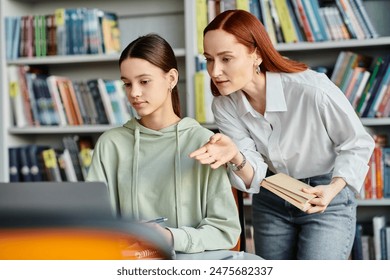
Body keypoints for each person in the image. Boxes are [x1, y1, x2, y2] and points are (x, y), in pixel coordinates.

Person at [189, 10, 375, 260]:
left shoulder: (311, 89)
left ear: (255, 54)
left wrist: (332, 190)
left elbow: (357, 142)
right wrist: (234, 155)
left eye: (226, 59)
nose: (214, 71)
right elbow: (253, 173)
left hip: (324, 196)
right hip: (271, 196)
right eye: (209, 59)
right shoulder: (224, 104)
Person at [86, 33, 241, 254]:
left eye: (144, 81)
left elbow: (225, 231)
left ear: (171, 78)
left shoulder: (204, 142)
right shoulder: (110, 144)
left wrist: (170, 237)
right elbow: (94, 226)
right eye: (127, 84)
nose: (134, 93)